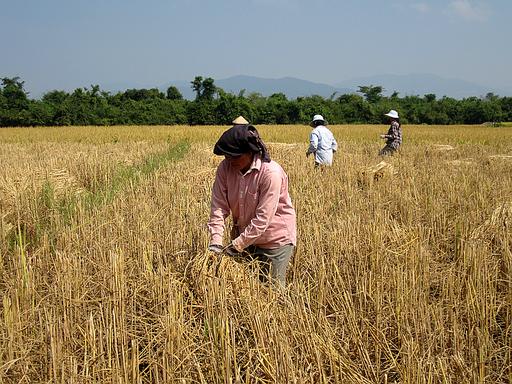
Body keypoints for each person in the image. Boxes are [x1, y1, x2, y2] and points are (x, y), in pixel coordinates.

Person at [207, 119, 297, 287]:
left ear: (250, 152)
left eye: (234, 156)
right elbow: (219, 206)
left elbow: (263, 219)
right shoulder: (225, 168)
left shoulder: (270, 173)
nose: (229, 159)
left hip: (274, 240)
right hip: (244, 238)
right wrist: (216, 242)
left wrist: (236, 246)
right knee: (245, 288)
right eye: (227, 155)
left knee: (272, 290)